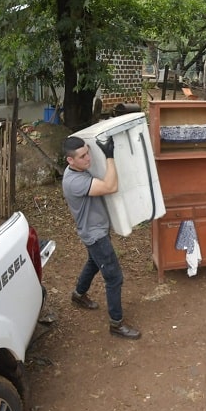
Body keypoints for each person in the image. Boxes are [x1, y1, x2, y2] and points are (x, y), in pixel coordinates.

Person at [61, 135, 141, 340]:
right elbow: (111, 187)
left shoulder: (78, 171)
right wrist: (109, 156)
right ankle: (116, 324)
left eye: (88, 152)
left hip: (93, 230)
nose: (88, 158)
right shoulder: (75, 182)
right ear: (70, 161)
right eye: (82, 156)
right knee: (114, 278)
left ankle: (78, 295)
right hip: (95, 235)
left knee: (94, 262)